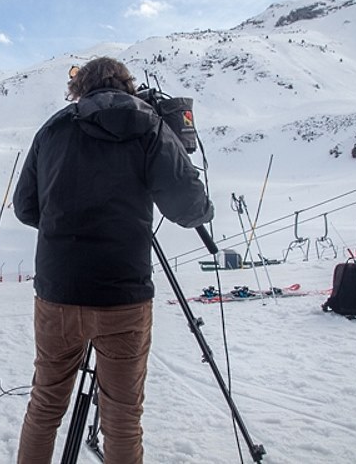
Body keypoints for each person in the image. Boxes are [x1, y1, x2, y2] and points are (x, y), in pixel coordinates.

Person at [13, 57, 214, 463]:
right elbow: (189, 208)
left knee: (46, 406)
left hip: (58, 292)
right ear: (127, 85)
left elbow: (25, 207)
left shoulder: (52, 128)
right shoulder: (149, 124)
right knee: (123, 419)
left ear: (80, 88)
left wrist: (65, 224)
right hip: (123, 294)